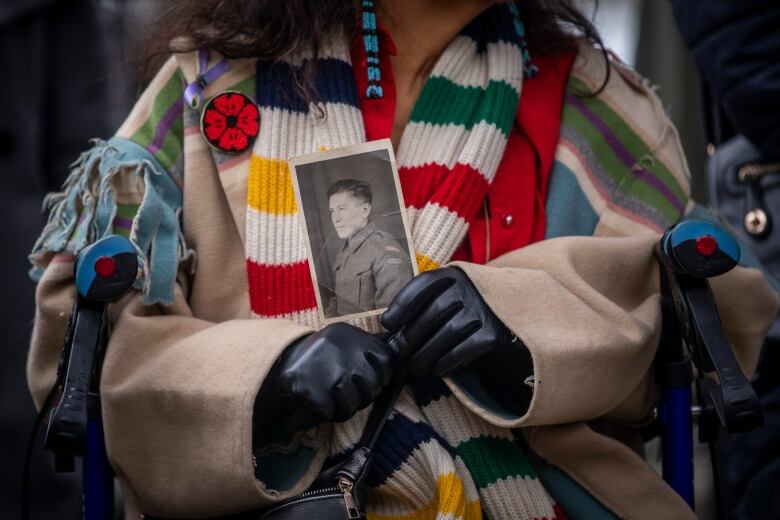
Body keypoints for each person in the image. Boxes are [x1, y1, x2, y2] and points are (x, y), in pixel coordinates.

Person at [27, 0, 779, 519]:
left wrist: (519, 328)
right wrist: (272, 382)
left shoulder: (596, 101)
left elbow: (699, 330)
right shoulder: (204, 90)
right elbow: (92, 350)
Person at [324, 178, 413, 317]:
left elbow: (392, 320)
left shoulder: (385, 251)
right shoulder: (345, 249)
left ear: (365, 210)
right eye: (332, 211)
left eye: (341, 209)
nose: (335, 218)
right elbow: (338, 301)